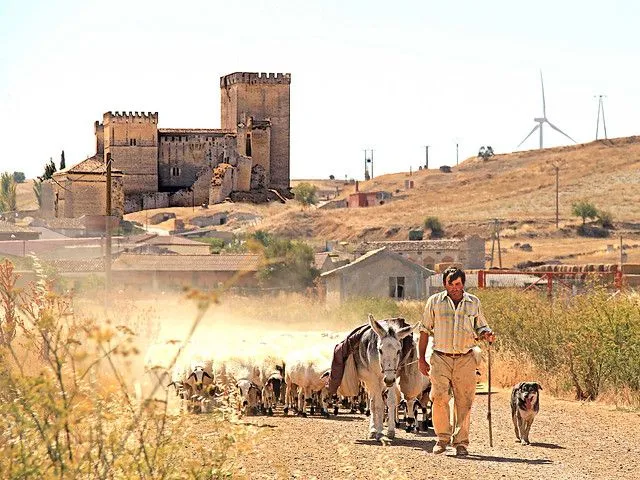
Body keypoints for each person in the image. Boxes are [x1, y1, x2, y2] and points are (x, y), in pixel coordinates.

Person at [418, 267, 496, 456]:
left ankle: (461, 442)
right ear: (444, 284)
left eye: (458, 284)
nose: (455, 288)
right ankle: (442, 439)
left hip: (465, 358)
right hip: (440, 357)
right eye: (451, 284)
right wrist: (421, 358)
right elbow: (424, 331)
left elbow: (481, 326)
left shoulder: (473, 303)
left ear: (463, 284)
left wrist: (487, 334)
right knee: (439, 398)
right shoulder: (434, 302)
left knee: (465, 401)